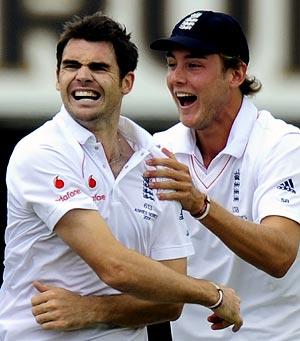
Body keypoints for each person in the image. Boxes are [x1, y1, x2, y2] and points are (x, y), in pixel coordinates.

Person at [0, 12, 242, 341]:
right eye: (71, 66)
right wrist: (211, 294)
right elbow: (113, 266)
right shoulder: (42, 152)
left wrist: (92, 310)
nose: (82, 77)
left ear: (127, 82)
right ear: (57, 78)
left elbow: (170, 304)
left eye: (98, 68)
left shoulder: (157, 159)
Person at [144, 9, 300, 340]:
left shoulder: (283, 146)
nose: (177, 78)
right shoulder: (158, 150)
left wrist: (199, 204)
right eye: (172, 64)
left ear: (236, 73)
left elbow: (280, 254)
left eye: (194, 65)